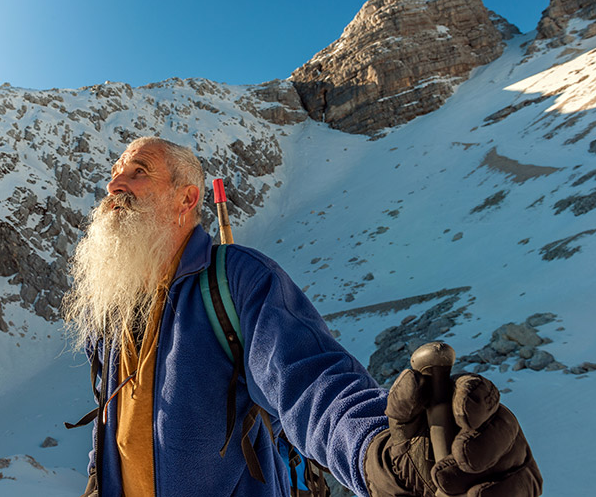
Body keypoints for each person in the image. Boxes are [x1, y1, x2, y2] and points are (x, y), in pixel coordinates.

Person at [63, 136, 541, 497]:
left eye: (138, 171)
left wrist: (385, 455)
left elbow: (311, 383)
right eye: (115, 173)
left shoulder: (237, 280)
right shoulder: (115, 304)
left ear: (187, 199)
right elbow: (112, 424)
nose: (115, 184)